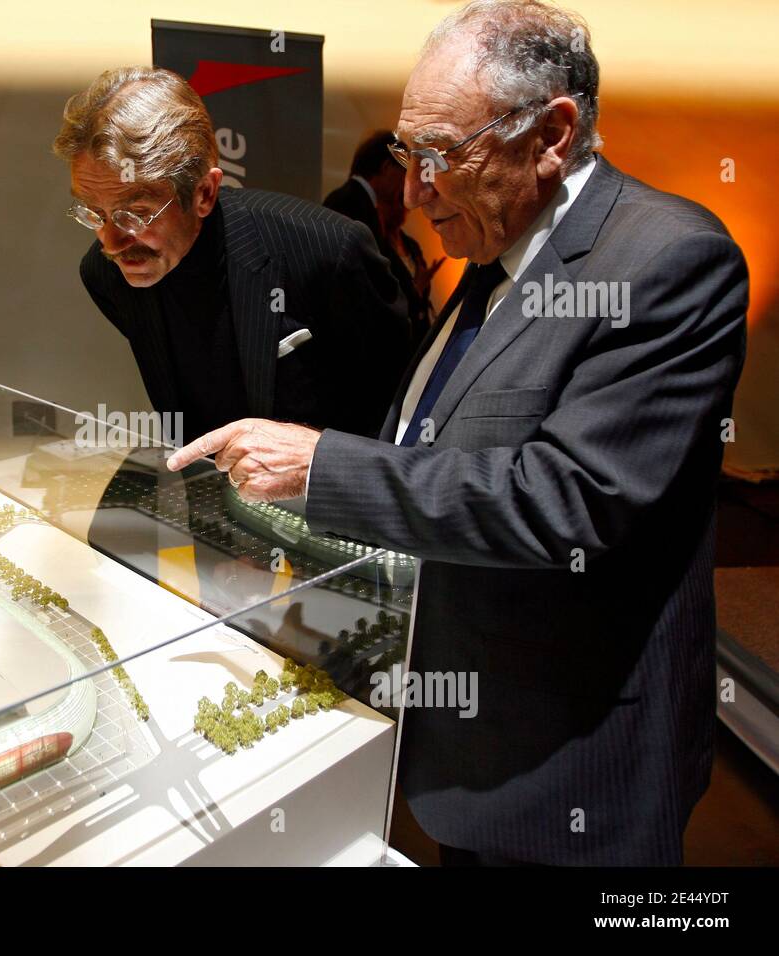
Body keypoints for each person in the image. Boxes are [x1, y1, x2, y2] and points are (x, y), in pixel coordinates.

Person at [166, 0, 748, 866]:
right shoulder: (487, 258)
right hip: (463, 745)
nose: (413, 189)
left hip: (572, 768)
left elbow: (565, 503)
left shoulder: (666, 260)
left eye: (442, 155)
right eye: (407, 152)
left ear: (552, 133)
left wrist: (321, 467)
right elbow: (431, 449)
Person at [53, 66, 412, 444]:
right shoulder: (104, 274)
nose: (111, 241)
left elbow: (400, 413)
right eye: (94, 212)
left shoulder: (330, 251)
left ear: (204, 193)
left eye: (137, 213)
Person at [325, 131, 445, 340]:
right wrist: (412, 289)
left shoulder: (356, 203)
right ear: (387, 168)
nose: (408, 189)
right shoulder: (351, 204)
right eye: (405, 172)